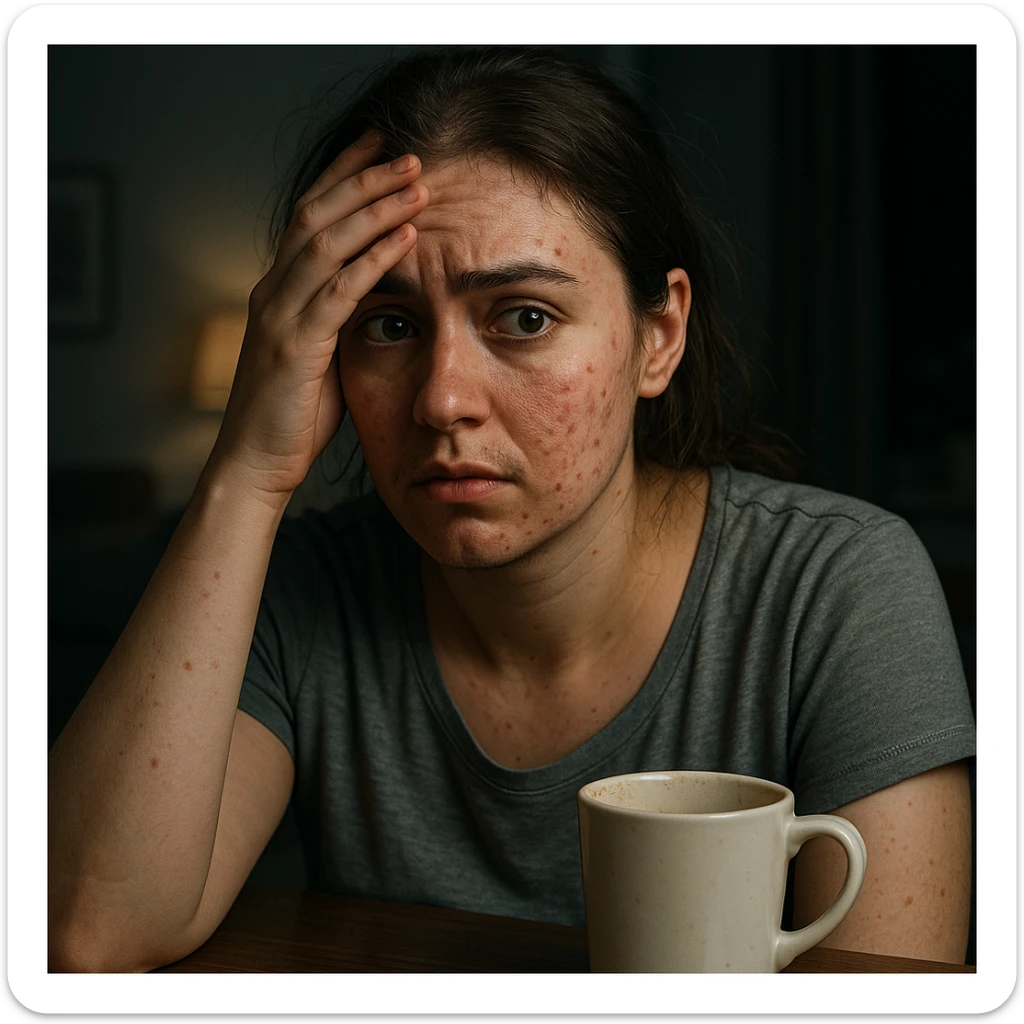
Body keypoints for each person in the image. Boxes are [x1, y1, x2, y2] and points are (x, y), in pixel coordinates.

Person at [48, 47, 975, 973]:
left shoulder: (840, 590)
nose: (442, 399)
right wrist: (246, 469)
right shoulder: (302, 594)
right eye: (390, 325)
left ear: (659, 336)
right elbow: (88, 932)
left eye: (524, 317)